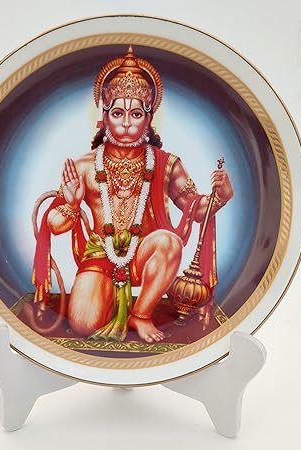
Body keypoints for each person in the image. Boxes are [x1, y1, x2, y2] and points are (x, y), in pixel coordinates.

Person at [32, 46, 233, 343]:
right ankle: (105, 298)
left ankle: (141, 314)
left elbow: (196, 210)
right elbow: (54, 225)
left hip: (144, 254)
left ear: (148, 119)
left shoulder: (166, 164)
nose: (126, 123)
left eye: (136, 114)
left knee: (169, 241)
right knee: (84, 324)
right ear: (104, 117)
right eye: (118, 113)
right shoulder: (85, 166)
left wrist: (221, 197)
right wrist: (72, 204)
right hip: (101, 255)